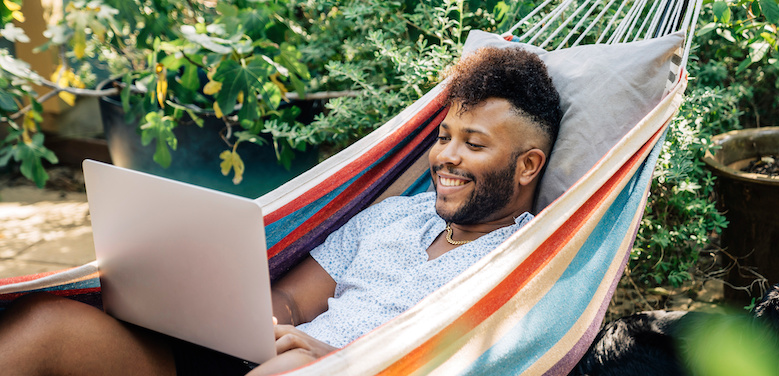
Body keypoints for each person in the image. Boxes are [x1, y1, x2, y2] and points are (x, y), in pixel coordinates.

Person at [0, 45, 562, 376]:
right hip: (257, 362)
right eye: (443, 137)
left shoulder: (528, 260)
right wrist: (237, 320)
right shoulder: (394, 216)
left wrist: (334, 358)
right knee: (46, 325)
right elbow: (292, 300)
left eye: (473, 144)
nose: (446, 157)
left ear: (528, 165)